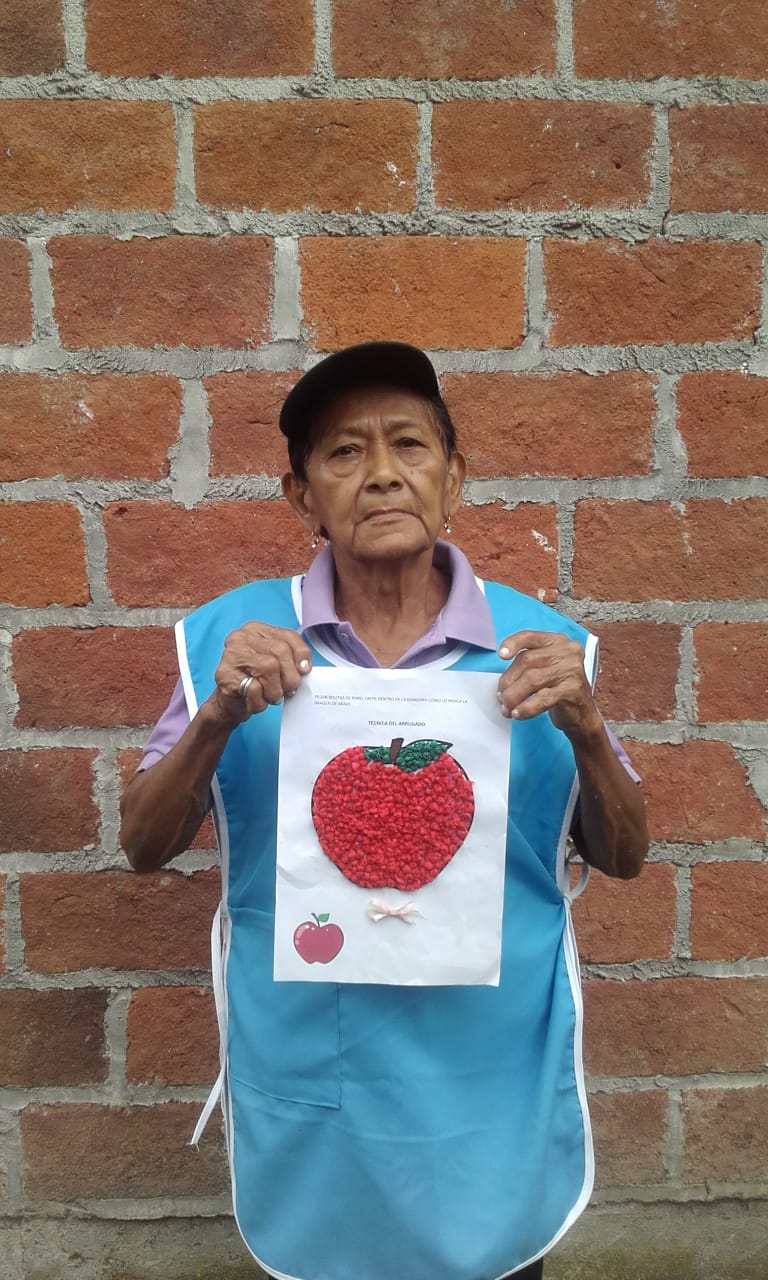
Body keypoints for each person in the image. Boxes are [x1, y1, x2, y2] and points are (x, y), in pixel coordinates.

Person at [121, 341, 648, 1280]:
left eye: (408, 444)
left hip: (488, 1081)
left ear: (453, 478)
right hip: (317, 1073)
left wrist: (588, 729)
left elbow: (625, 853)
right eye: (343, 453)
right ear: (302, 498)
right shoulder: (230, 644)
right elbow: (143, 844)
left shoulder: (544, 652)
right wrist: (215, 720)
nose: (381, 475)